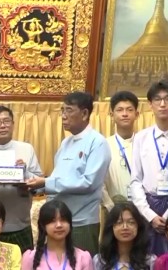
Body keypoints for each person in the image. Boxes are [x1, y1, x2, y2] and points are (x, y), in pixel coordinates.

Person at [25, 92, 111, 255]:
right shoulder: (66, 142)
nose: (63, 116)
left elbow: (88, 182)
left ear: (84, 113)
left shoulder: (97, 142)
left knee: (82, 268)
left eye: (69, 110)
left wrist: (45, 183)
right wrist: (33, 185)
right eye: (62, 110)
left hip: (81, 223)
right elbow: (58, 180)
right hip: (57, 221)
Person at [129, 80, 168, 256]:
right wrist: (149, 215)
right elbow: (136, 180)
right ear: (150, 104)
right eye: (157, 99)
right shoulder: (140, 138)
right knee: (148, 260)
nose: (162, 104)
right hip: (149, 207)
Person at [0, 105, 43, 252]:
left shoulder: (27, 149)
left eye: (6, 121)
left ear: (13, 124)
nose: (2, 125)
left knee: (24, 264)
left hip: (21, 224)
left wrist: (24, 172)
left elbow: (40, 185)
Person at [102, 91, 139, 212]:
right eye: (119, 110)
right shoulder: (103, 145)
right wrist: (110, 207)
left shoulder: (144, 143)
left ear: (137, 114)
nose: (125, 114)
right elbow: (99, 182)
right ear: (111, 114)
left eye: (129, 110)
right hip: (113, 211)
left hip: (142, 210)